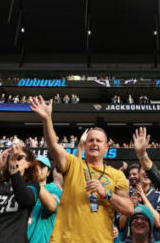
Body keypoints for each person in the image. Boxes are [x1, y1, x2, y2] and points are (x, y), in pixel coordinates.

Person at [29, 96, 133, 243]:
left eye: (98, 141)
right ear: (85, 145)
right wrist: (47, 119)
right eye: (91, 140)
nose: (94, 143)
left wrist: (106, 193)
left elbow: (128, 209)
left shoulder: (117, 175)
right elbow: (53, 146)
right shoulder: (74, 164)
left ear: (106, 148)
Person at [27, 156, 62, 243]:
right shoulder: (25, 189)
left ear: (48, 172)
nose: (37, 170)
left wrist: (35, 181)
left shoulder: (53, 189)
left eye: (42, 167)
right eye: (35, 167)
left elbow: (51, 207)